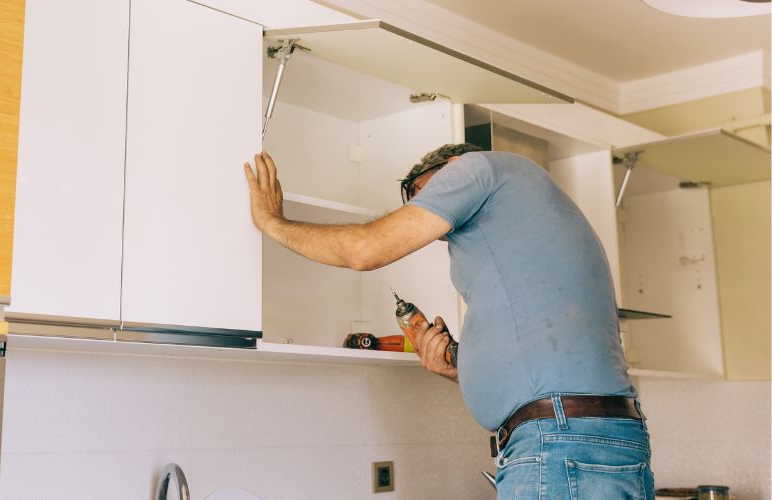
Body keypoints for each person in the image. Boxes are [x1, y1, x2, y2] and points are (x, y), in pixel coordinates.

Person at [244, 144, 655, 499]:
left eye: (423, 193)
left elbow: (364, 250)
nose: (427, 214)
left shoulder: (478, 169)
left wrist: (272, 222)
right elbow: (544, 351)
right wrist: (462, 370)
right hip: (591, 437)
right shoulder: (533, 205)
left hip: (561, 440)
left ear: (453, 165)